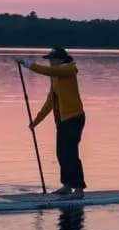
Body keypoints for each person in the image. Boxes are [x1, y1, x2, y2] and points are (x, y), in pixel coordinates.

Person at [16, 47, 86, 196]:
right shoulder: (54, 77)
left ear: (60, 59)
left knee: (71, 153)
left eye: (52, 59)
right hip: (62, 120)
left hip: (74, 118)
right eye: (48, 60)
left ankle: (79, 189)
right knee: (61, 153)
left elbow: (50, 71)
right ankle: (67, 186)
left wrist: (28, 64)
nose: (49, 62)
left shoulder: (69, 70)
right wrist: (36, 121)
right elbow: (50, 102)